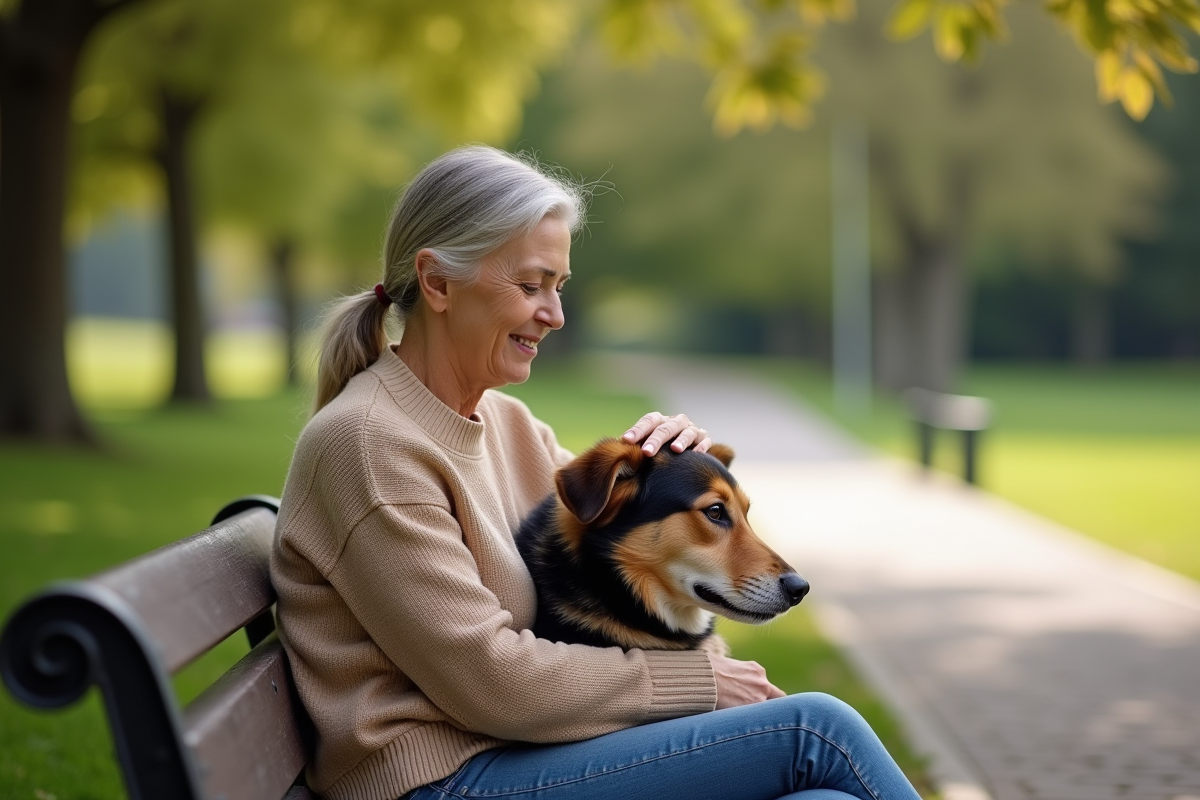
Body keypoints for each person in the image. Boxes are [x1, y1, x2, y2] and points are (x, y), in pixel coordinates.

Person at [270, 145, 923, 800]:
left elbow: (624, 543)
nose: (553, 315)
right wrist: (702, 684)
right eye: (530, 286)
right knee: (817, 731)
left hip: (523, 756)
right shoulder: (369, 444)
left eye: (559, 287)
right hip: (439, 781)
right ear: (438, 284)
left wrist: (674, 463)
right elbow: (494, 683)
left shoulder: (506, 425)